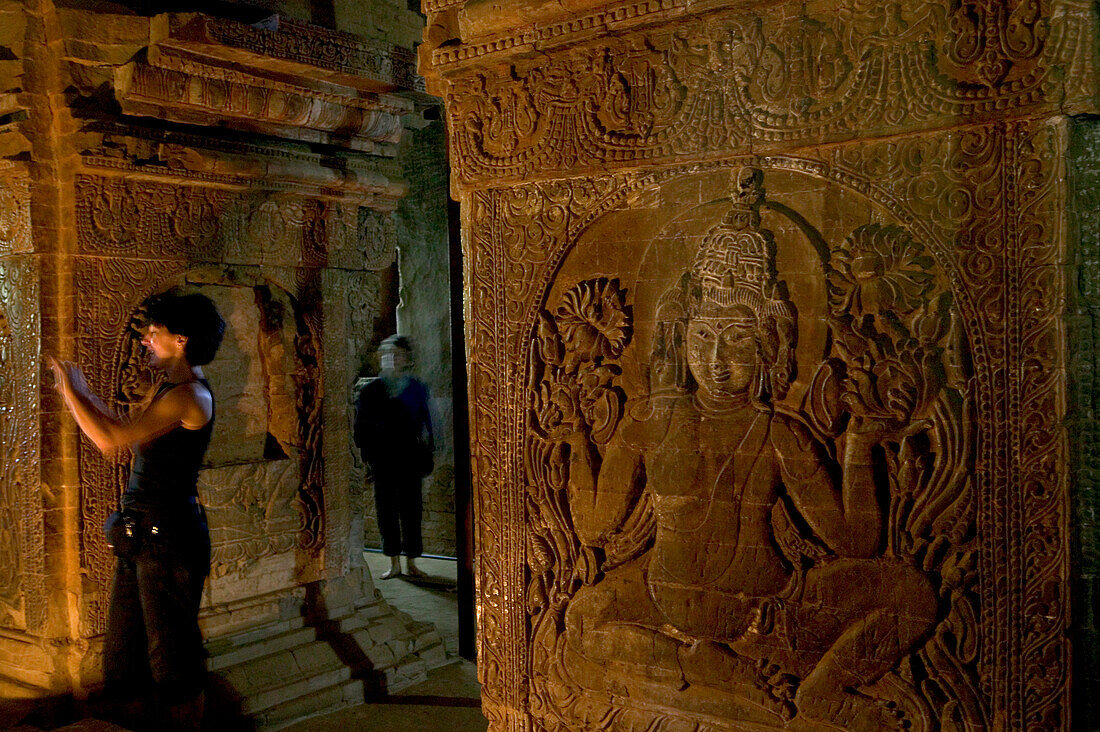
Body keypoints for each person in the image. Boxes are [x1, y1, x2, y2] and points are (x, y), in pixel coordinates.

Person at [49, 291, 225, 731]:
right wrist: (83, 393)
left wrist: (73, 392)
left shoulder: (189, 396)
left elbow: (109, 441)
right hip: (144, 534)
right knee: (126, 651)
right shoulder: (168, 387)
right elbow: (123, 433)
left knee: (173, 657)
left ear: (181, 339)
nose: (145, 338)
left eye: (154, 331)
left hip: (169, 537)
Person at [354, 335, 435, 580]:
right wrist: (367, 458)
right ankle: (393, 562)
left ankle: (411, 562)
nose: (391, 358)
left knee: (412, 510)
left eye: (396, 354)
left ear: (405, 359)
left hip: (410, 457)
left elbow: (428, 424)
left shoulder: (416, 389)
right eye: (387, 353)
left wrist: (430, 454)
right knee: (385, 511)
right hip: (383, 459)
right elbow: (361, 427)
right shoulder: (371, 391)